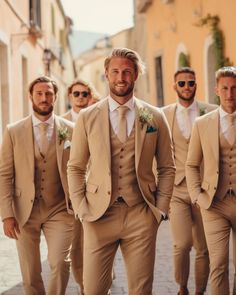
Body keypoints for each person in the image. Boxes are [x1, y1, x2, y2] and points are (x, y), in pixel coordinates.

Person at [67, 47, 175, 294]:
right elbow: (75, 167)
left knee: (141, 289)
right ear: (106, 74)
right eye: (115, 71)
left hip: (141, 213)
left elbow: (168, 167)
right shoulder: (87, 117)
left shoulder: (155, 117)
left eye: (127, 71)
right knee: (93, 289)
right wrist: (82, 209)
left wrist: (160, 210)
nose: (121, 77)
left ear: (136, 75)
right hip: (97, 216)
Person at [0, 76, 74, 295]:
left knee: (60, 262)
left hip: (59, 208)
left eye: (49, 94)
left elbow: (82, 167)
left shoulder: (71, 129)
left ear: (55, 97)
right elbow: (4, 174)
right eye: (39, 94)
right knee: (30, 272)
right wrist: (7, 215)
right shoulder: (14, 131)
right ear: (30, 96)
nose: (44, 98)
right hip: (24, 211)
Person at [163, 67, 217, 295]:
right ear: (174, 87)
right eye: (182, 83)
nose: (187, 87)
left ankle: (199, 291)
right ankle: (182, 286)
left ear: (196, 85)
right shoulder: (163, 114)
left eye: (191, 83)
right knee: (182, 244)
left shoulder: (212, 112)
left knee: (204, 248)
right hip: (177, 189)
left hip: (205, 189)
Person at [186, 66, 236, 295]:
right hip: (214, 203)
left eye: (234, 88)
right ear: (216, 90)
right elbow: (191, 164)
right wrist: (197, 195)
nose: (229, 94)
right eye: (224, 88)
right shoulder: (202, 123)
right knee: (218, 264)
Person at [62, 79, 101, 295]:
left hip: (99, 191)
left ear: (90, 96)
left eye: (84, 94)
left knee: (100, 241)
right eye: (76, 94)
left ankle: (100, 277)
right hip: (72, 193)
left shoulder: (99, 118)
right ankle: (84, 287)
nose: (80, 98)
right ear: (70, 97)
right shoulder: (61, 123)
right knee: (76, 246)